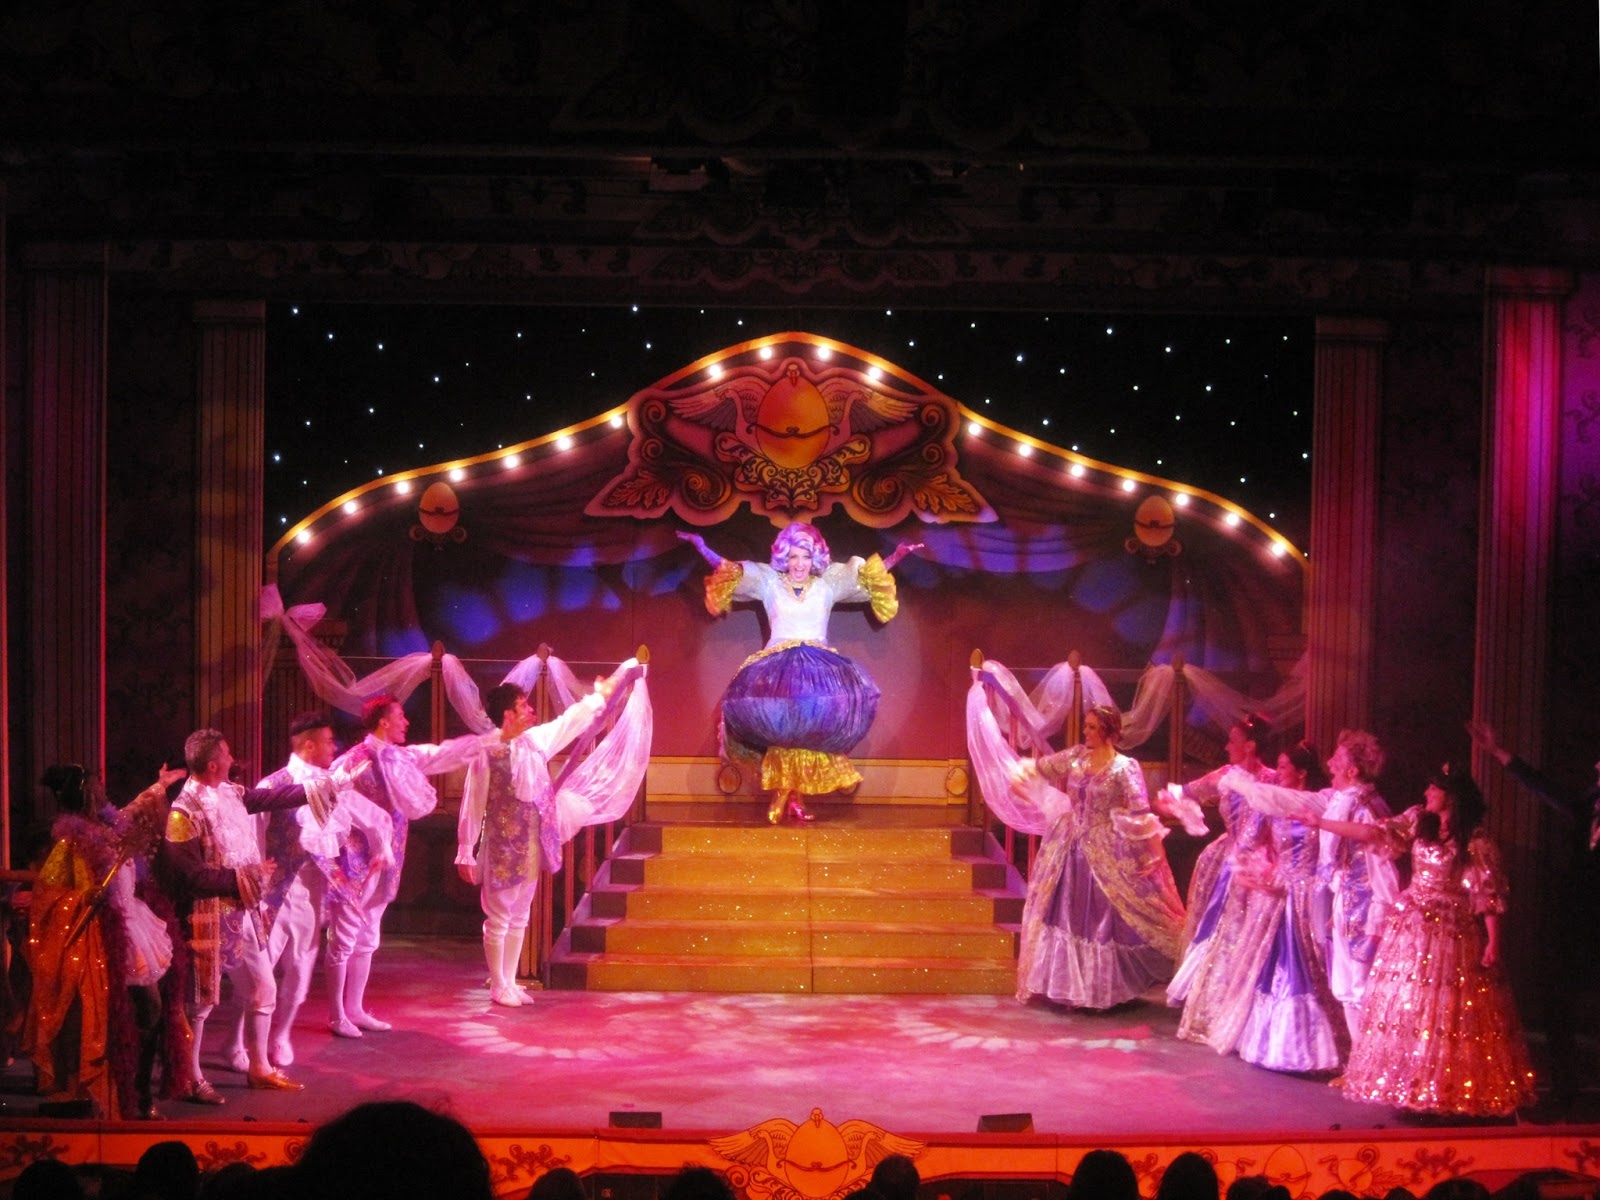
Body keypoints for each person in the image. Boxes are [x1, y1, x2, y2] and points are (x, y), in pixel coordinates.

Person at [1305, 761, 1535, 1117]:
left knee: (1447, 1010)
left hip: (1451, 930)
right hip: (1412, 927)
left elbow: (1487, 896)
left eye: (1434, 788)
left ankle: (1444, 1088)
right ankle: (1410, 1084)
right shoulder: (1418, 822)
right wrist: (1321, 823)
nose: (1426, 793)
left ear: (1451, 796)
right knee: (1408, 1004)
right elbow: (1372, 833)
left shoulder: (1475, 841)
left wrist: (1493, 942)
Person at [679, 524, 919, 824]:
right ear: (785, 557)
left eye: (805, 556)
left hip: (817, 670)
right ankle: (789, 797)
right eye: (794, 556)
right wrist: (702, 548)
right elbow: (731, 570)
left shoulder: (828, 583)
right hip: (777, 669)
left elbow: (866, 577)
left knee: (806, 733)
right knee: (783, 732)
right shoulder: (769, 582)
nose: (800, 563)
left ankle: (790, 797)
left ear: (814, 558)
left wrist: (897, 556)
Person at [158, 728, 336, 1101]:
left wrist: (321, 786)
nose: (231, 759)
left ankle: (260, 1068)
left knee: (262, 987)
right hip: (204, 916)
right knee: (201, 1002)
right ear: (212, 764)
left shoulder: (231, 794)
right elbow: (189, 876)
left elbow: (269, 797)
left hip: (243, 911)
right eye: (226, 754)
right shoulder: (183, 812)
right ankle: (190, 1077)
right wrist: (246, 876)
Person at [225, 712, 393, 1070]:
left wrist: (382, 850)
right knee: (259, 972)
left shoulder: (332, 785)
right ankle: (236, 1041)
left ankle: (281, 1036)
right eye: (329, 741)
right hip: (274, 893)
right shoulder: (273, 784)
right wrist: (255, 882)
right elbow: (252, 836)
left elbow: (374, 818)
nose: (335, 747)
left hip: (311, 893)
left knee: (300, 971)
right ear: (309, 745)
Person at [23, 764, 184, 1118]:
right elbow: (47, 894)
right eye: (95, 785)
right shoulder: (69, 840)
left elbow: (137, 812)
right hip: (100, 938)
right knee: (128, 1014)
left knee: (150, 1010)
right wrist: (83, 897)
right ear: (82, 793)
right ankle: (125, 1095)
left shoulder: (112, 826)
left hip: (133, 927)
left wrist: (159, 786)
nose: (102, 789)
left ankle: (138, 1093)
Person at [327, 695, 493, 1037]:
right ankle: (336, 1014)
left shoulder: (401, 758)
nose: (406, 723)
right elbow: (328, 802)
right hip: (354, 860)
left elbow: (441, 753)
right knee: (343, 936)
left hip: (385, 860)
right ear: (384, 722)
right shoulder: (352, 761)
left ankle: (355, 1008)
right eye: (400, 717)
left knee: (368, 934)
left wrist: (493, 738)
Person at [1010, 704, 1186, 1010]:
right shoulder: (1076, 756)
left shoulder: (1124, 767)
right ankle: (1070, 988)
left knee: (1100, 922)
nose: (1086, 732)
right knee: (1067, 916)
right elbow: (1041, 768)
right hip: (1069, 847)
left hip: (1105, 850)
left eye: (1092, 727)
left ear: (1108, 732)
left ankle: (1099, 991)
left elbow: (1140, 813)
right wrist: (1023, 777)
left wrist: (1154, 852)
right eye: (1086, 726)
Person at [1225, 729, 1397, 1036]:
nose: (1329, 763)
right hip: (1343, 904)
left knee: (1360, 987)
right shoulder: (1339, 799)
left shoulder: (1365, 808)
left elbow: (1383, 870)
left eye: (1337, 759)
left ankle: (1368, 1056)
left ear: (1352, 771)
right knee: (1345, 987)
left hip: (1364, 910)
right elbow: (1287, 800)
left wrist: (1377, 924)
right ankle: (1358, 1057)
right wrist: (1243, 784)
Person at [1467, 719, 1598, 1116]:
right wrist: (1498, 752)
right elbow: (1548, 790)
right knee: (1558, 999)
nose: (1596, 766)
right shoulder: (1591, 803)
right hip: (1578, 917)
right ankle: (1565, 1092)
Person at [456, 679, 612, 1007]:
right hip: (502, 847)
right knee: (499, 917)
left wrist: (598, 699)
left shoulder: (535, 741)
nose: (530, 710)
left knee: (520, 915)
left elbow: (568, 723)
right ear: (508, 714)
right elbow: (473, 802)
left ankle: (510, 982)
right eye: (523, 705)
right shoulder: (487, 751)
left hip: (530, 844)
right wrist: (465, 850)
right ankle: (498, 985)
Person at [1233, 742, 1348, 1074]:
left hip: (1313, 894)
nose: (1278, 772)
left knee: (1315, 966)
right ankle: (1279, 1046)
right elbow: (1244, 845)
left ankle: (1322, 1048)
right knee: (1279, 965)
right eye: (1279, 765)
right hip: (1279, 893)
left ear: (1302, 773)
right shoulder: (1270, 805)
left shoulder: (1322, 804)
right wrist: (1254, 875)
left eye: (1284, 767)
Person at [1160, 714, 1276, 1044]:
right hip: (1228, 861)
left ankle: (1243, 1010)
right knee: (1220, 931)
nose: (1226, 746)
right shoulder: (1225, 775)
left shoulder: (1271, 779)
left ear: (1250, 746)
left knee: (1249, 933)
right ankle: (1213, 1004)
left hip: (1259, 866)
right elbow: (1185, 793)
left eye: (1233, 740)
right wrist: (1169, 804)